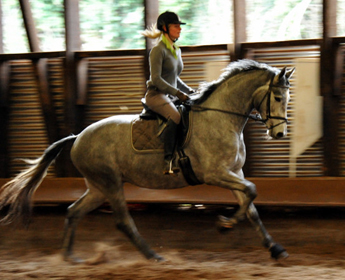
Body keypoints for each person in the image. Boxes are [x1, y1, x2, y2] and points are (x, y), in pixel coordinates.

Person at [142, 11, 194, 175]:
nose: (179, 29)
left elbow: (174, 78)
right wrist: (178, 93)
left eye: (180, 26)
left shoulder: (176, 50)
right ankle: (168, 160)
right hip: (156, 95)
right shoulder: (158, 51)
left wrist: (190, 91)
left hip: (170, 95)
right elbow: (156, 79)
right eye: (176, 26)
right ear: (165, 28)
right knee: (176, 117)